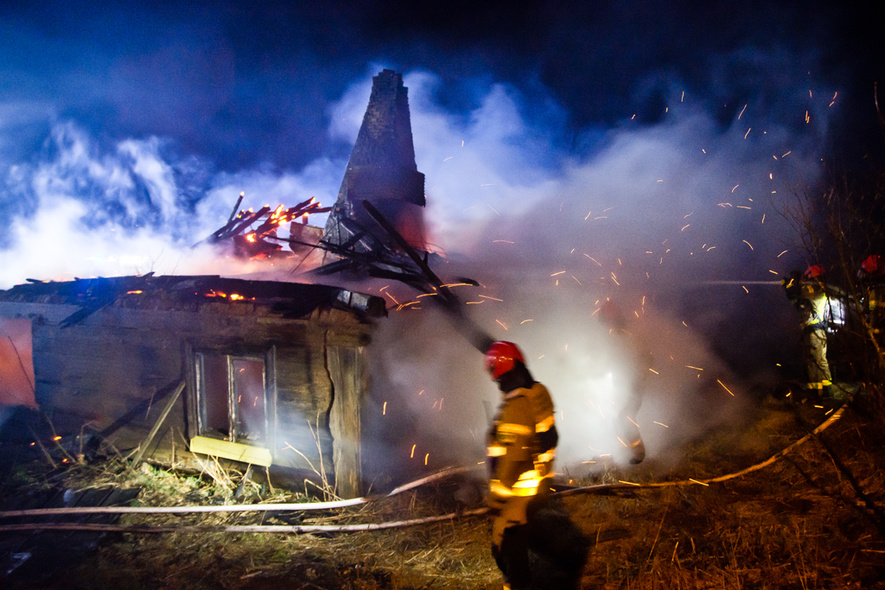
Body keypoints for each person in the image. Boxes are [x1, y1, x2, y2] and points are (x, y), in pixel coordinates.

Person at [484, 341, 557, 590]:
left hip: (518, 492)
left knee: (503, 548)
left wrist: (497, 497)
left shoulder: (517, 407)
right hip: (539, 484)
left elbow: (512, 459)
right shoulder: (538, 393)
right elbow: (549, 437)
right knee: (516, 552)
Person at [783, 266, 833, 395]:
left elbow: (801, 296)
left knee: (812, 361)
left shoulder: (814, 290)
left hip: (814, 331)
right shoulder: (818, 290)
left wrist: (790, 285)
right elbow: (798, 302)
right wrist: (789, 289)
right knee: (820, 360)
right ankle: (826, 389)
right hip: (817, 331)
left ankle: (816, 392)